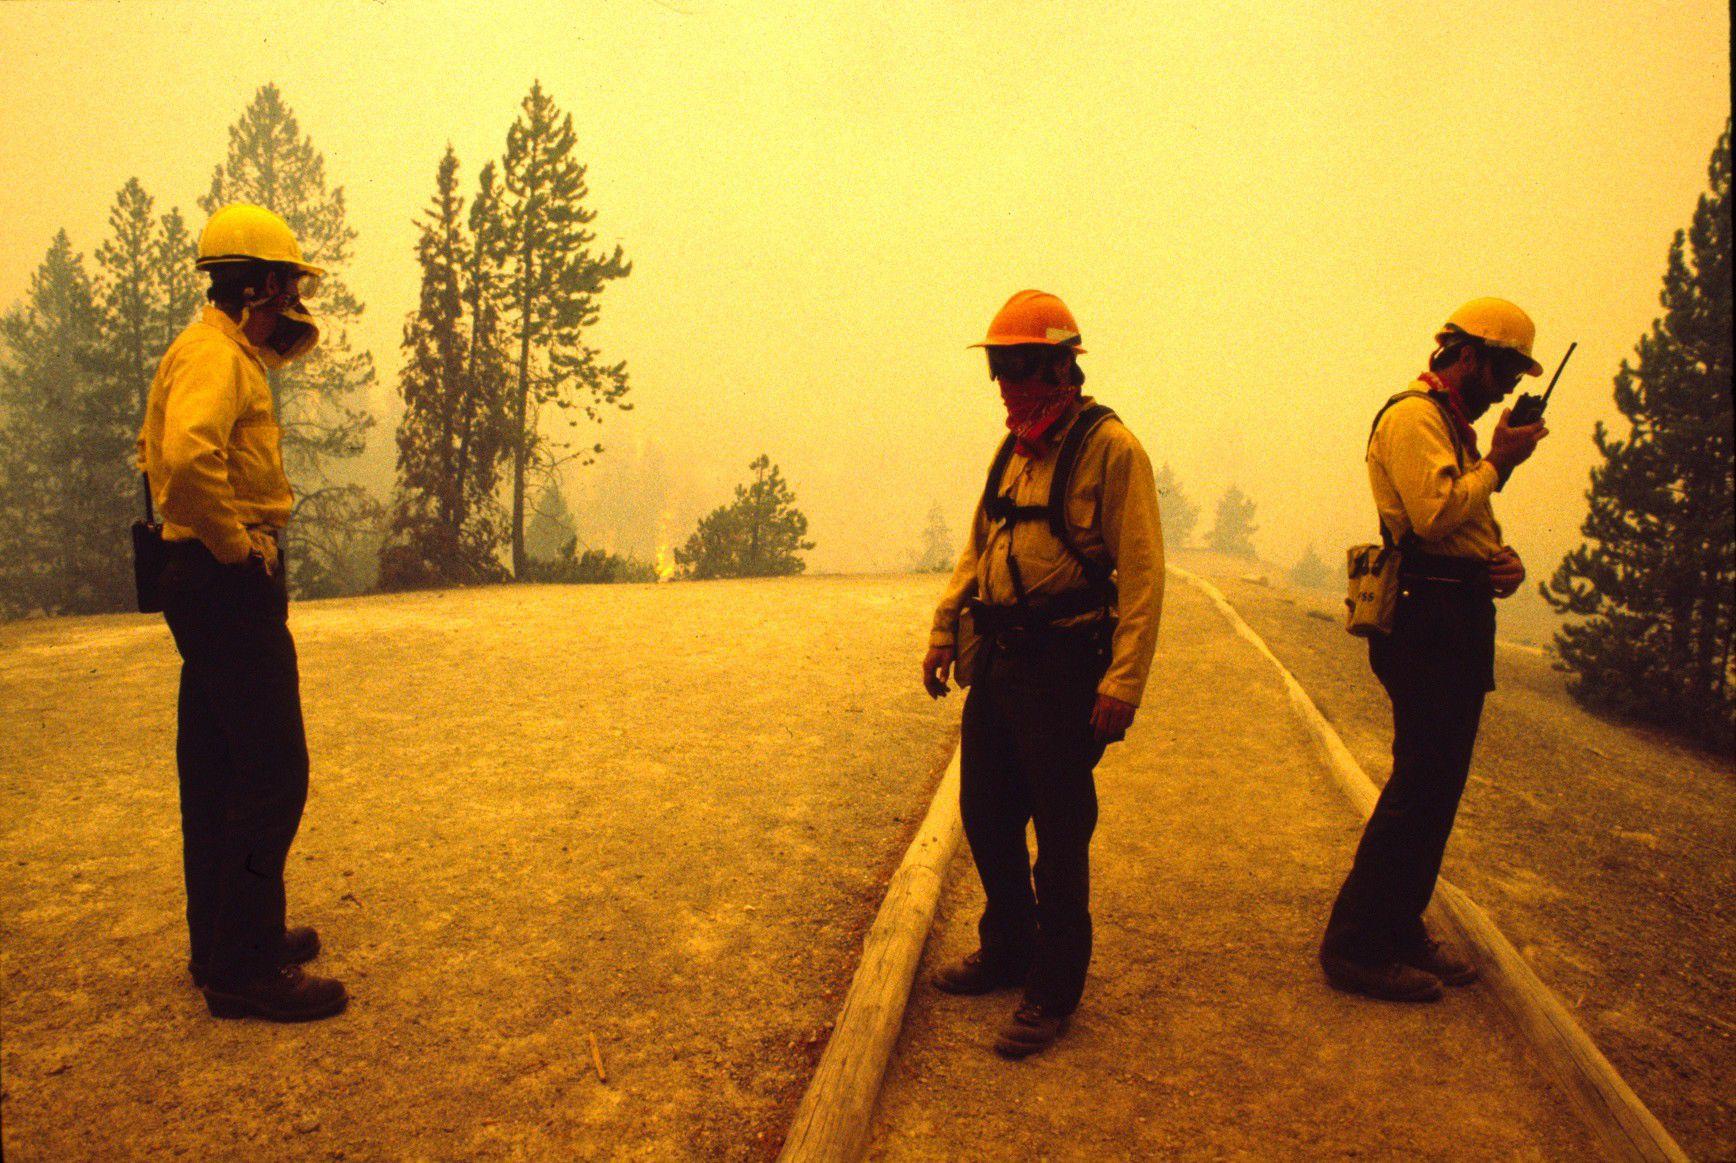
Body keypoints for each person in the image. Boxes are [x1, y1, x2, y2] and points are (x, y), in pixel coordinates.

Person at [922, 290, 1162, 1057]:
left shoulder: (1111, 450)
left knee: (1060, 833)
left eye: (1020, 364)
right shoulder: (1013, 447)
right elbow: (977, 548)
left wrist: (1122, 682)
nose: (1005, 381)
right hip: (998, 661)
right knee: (986, 815)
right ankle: (1009, 946)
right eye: (998, 364)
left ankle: (1052, 990)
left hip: (1064, 664)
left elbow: (1146, 576)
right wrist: (941, 630)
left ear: (1062, 364)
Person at [136, 203, 347, 1021]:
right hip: (224, 580)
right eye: (287, 283)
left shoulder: (212, 352)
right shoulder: (214, 359)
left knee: (217, 766)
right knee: (271, 770)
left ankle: (222, 938)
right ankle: (246, 965)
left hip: (197, 578)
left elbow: (163, 452)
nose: (293, 300)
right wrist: (236, 545)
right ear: (257, 282)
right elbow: (185, 460)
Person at [1319, 297, 1550, 1002]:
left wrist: (1499, 563)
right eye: (1504, 367)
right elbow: (1435, 512)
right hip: (1427, 621)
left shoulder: (1452, 426)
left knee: (1437, 788)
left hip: (1453, 613)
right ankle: (1355, 944)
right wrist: (1501, 464)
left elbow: (1461, 524)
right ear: (1469, 355)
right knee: (1420, 785)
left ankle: (1396, 924)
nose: (1509, 385)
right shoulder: (1414, 417)